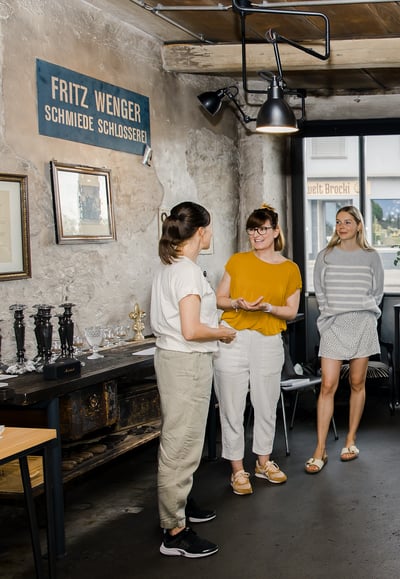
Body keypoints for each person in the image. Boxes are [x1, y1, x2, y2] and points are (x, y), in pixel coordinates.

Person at [151, 202, 236, 558]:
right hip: (185, 362)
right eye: (210, 227)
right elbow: (191, 329)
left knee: (185, 440)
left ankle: (180, 503)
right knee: (180, 444)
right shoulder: (185, 271)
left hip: (181, 361)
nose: (212, 233)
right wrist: (222, 333)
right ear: (200, 232)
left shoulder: (172, 267)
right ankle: (174, 530)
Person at [213, 205, 302, 495]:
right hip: (233, 339)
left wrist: (267, 307)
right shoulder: (237, 261)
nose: (257, 234)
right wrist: (238, 303)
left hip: (268, 341)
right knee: (232, 406)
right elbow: (219, 298)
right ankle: (238, 470)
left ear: (276, 231)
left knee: (266, 405)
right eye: (252, 229)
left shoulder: (290, 269)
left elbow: (291, 311)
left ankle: (263, 462)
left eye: (263, 228)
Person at [305, 205, 384, 474]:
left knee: (357, 382)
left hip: (362, 322)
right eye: (338, 222)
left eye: (347, 222)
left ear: (359, 225)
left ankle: (350, 440)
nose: (341, 226)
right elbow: (320, 291)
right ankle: (320, 449)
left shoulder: (371, 257)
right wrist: (328, 318)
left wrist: (367, 315)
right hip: (334, 325)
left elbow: (377, 292)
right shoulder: (325, 256)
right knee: (328, 385)